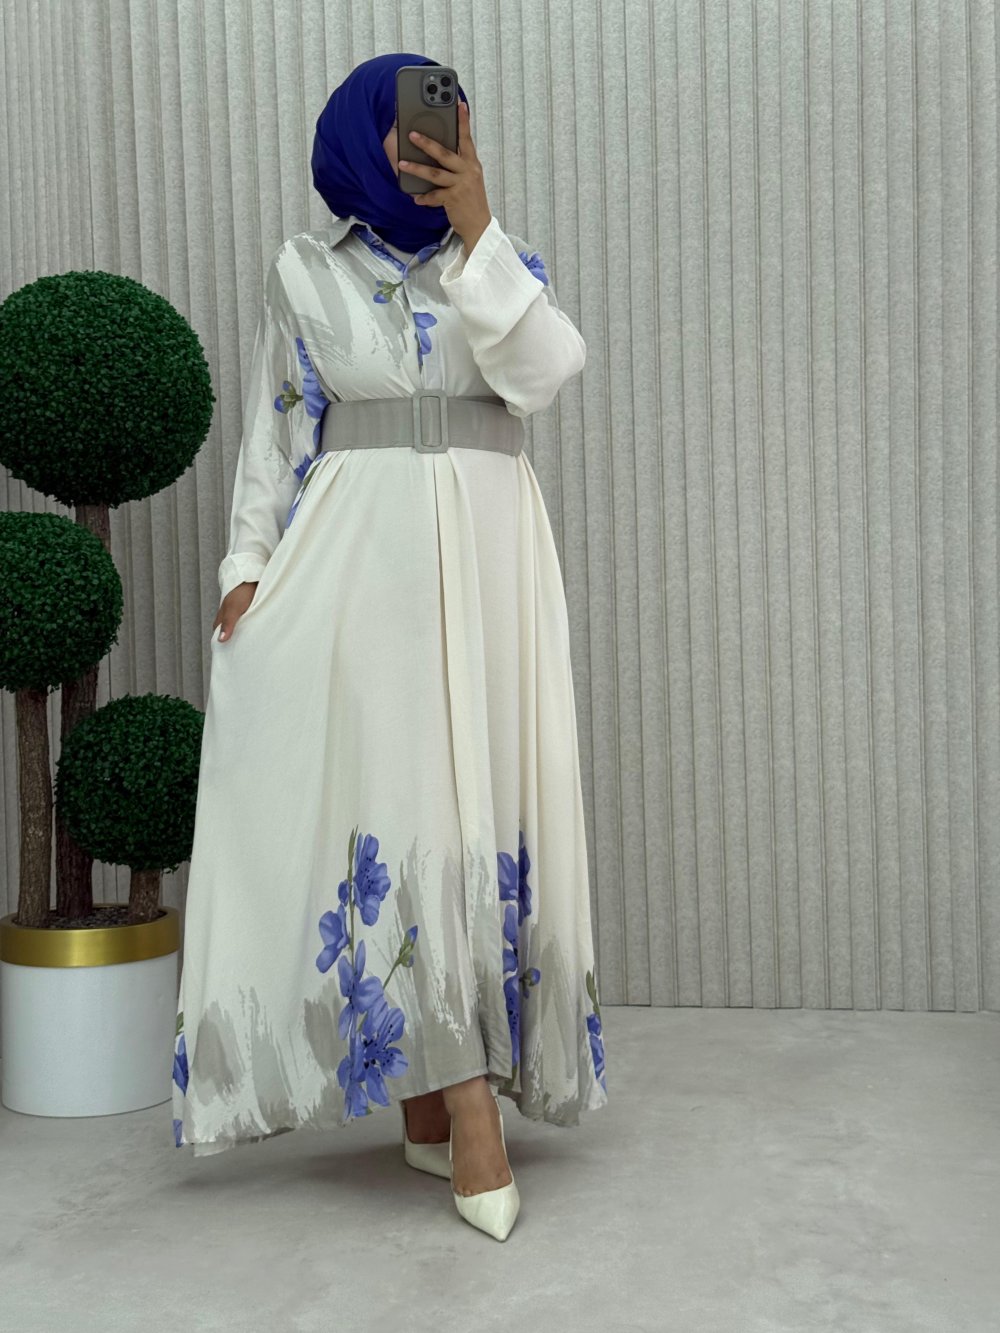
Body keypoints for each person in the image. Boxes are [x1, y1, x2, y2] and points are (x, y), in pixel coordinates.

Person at [171, 52, 608, 1241]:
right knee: (408, 808)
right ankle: (466, 1110)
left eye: (448, 123)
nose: (431, 142)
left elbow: (543, 376)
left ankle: (426, 1103)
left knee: (479, 806)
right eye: (410, 127)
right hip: (361, 573)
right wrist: (246, 567)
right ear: (365, 137)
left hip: (493, 566)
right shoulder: (304, 273)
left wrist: (478, 231)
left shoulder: (498, 262)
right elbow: (277, 431)